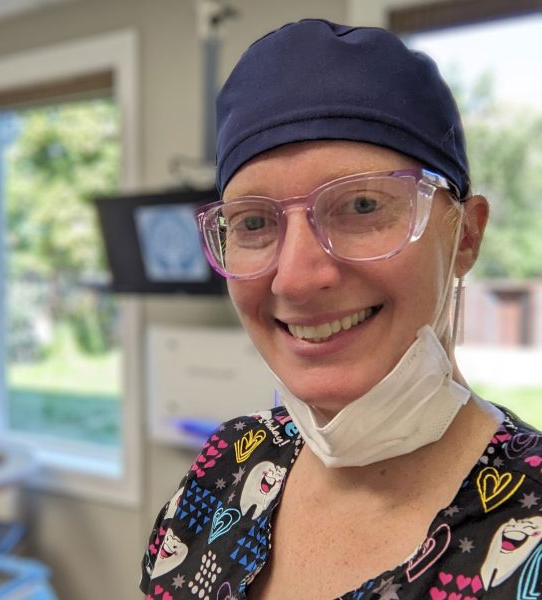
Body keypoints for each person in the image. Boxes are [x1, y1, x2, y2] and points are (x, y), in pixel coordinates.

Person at [140, 19, 542, 599]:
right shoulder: (226, 467)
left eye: (360, 204)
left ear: (467, 237)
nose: (298, 278)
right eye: (254, 222)